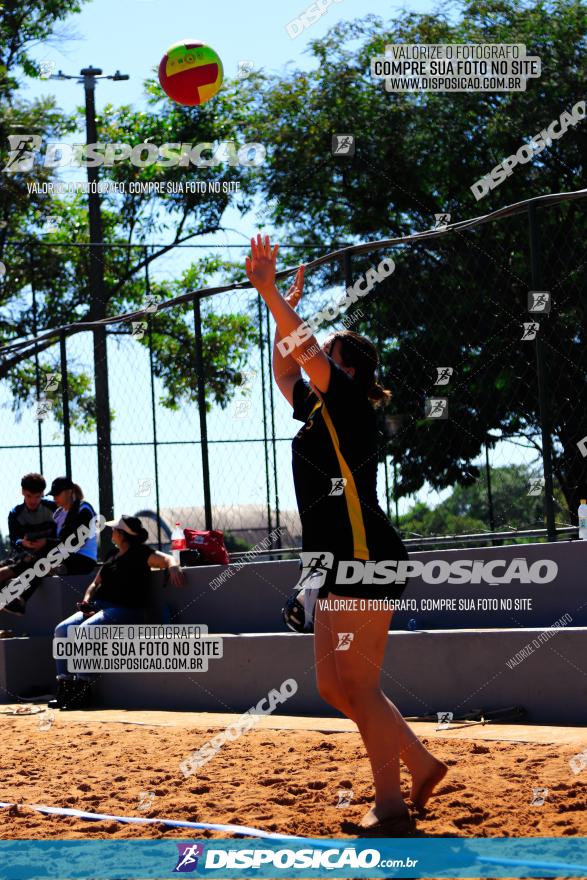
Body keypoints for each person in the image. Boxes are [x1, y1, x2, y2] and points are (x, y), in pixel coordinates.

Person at [245, 234, 448, 829]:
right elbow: (288, 368)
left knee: (357, 686)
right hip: (335, 562)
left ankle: (391, 808)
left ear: (349, 369)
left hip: (366, 557)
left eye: (331, 356)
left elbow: (304, 349)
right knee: (337, 687)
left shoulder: (351, 403)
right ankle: (421, 761)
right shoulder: (316, 409)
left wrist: (275, 292)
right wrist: (274, 307)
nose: (318, 362)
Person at [50, 515, 185, 710]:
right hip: (100, 606)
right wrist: (87, 601)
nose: (111, 532)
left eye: (115, 530)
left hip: (127, 609)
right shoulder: (112, 555)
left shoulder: (141, 553)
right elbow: (95, 583)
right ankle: (65, 687)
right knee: (62, 630)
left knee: (84, 631)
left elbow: (167, 558)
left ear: (122, 534)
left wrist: (173, 567)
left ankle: (83, 689)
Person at [0, 473, 57, 614]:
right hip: (23, 555)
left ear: (43, 493)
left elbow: (62, 538)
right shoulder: (15, 513)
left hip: (47, 557)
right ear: (22, 492)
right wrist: (23, 543)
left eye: (38, 496)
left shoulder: (55, 509)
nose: (33, 501)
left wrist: (45, 543)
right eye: (29, 496)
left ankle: (15, 601)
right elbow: (14, 540)